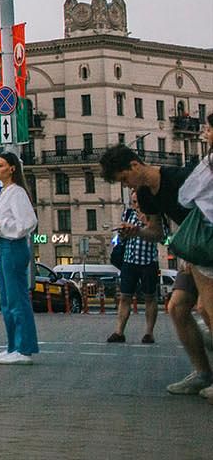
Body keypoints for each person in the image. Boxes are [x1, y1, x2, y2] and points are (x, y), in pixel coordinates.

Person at [101, 140, 210, 396]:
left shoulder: (179, 178)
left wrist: (193, 251)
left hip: (206, 248)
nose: (127, 186)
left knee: (207, 308)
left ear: (135, 164)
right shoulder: (148, 196)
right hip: (193, 252)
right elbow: (158, 232)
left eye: (126, 178)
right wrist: (136, 231)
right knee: (177, 307)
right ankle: (202, 373)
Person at [0, 150, 39, 364]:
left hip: (14, 246)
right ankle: (12, 346)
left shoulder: (17, 192)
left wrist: (0, 225)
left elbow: (28, 222)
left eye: (0, 165)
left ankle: (24, 349)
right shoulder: (3, 193)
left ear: (12, 168)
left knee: (17, 299)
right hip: (3, 246)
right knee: (7, 301)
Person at [108, 190, 159, 344]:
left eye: (138, 202)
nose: (136, 205)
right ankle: (119, 332)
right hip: (129, 260)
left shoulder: (154, 214)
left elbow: (161, 236)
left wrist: (145, 223)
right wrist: (123, 233)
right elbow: (121, 240)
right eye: (133, 202)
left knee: (150, 296)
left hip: (148, 260)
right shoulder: (128, 213)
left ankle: (149, 333)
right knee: (125, 296)